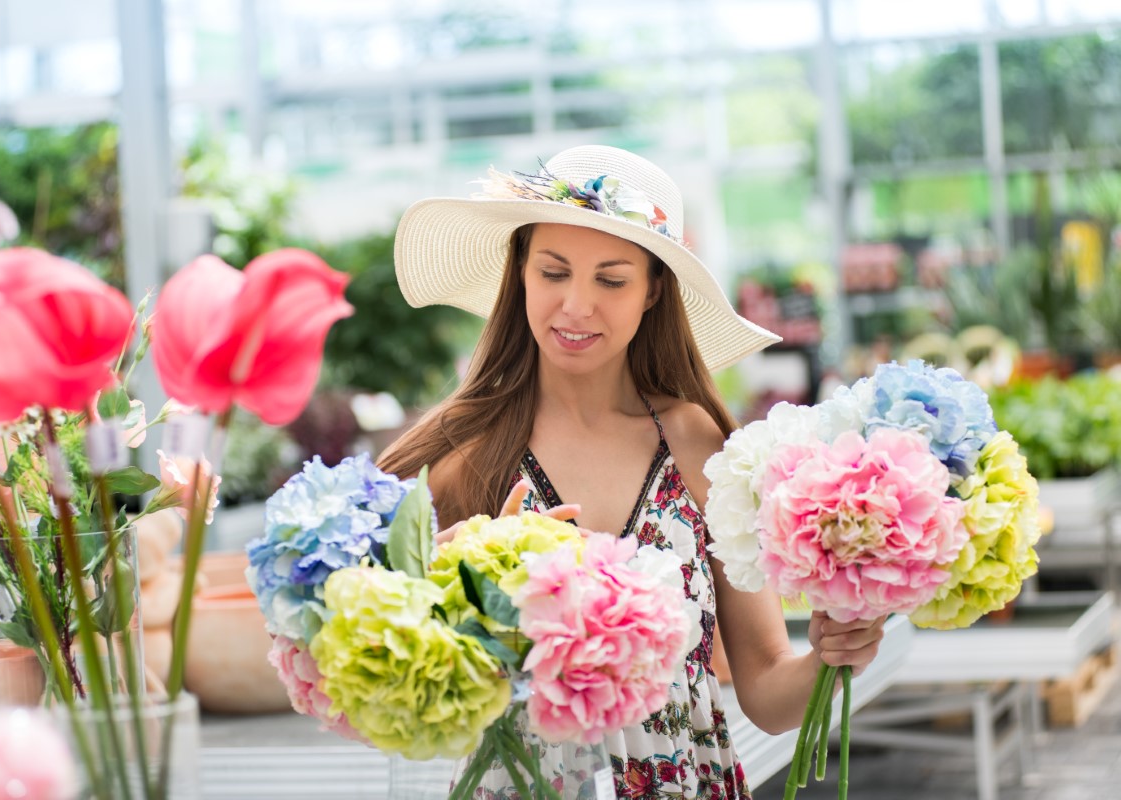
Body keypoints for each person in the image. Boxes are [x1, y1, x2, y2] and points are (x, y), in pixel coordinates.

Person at [378, 145, 885, 800]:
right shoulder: (464, 450)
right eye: (553, 272)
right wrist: (440, 588)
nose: (576, 305)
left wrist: (829, 656)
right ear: (520, 275)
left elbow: (764, 692)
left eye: (611, 280)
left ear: (652, 292)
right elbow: (361, 645)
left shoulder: (699, 445)